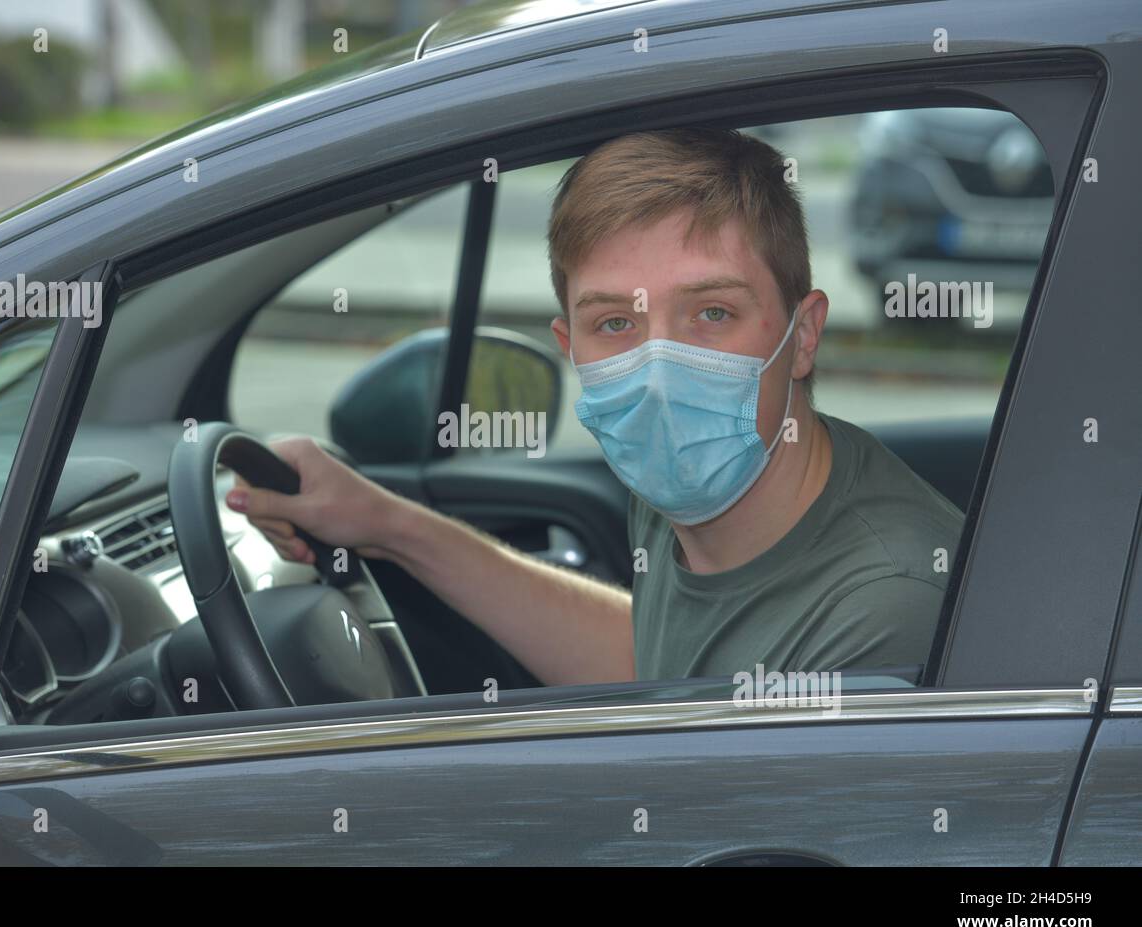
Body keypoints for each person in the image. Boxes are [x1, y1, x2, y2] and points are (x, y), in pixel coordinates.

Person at [225, 126, 962, 686]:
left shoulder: (882, 611)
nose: (659, 372)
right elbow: (654, 664)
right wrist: (383, 525)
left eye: (711, 313)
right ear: (567, 343)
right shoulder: (705, 479)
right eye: (616, 324)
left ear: (803, 336)